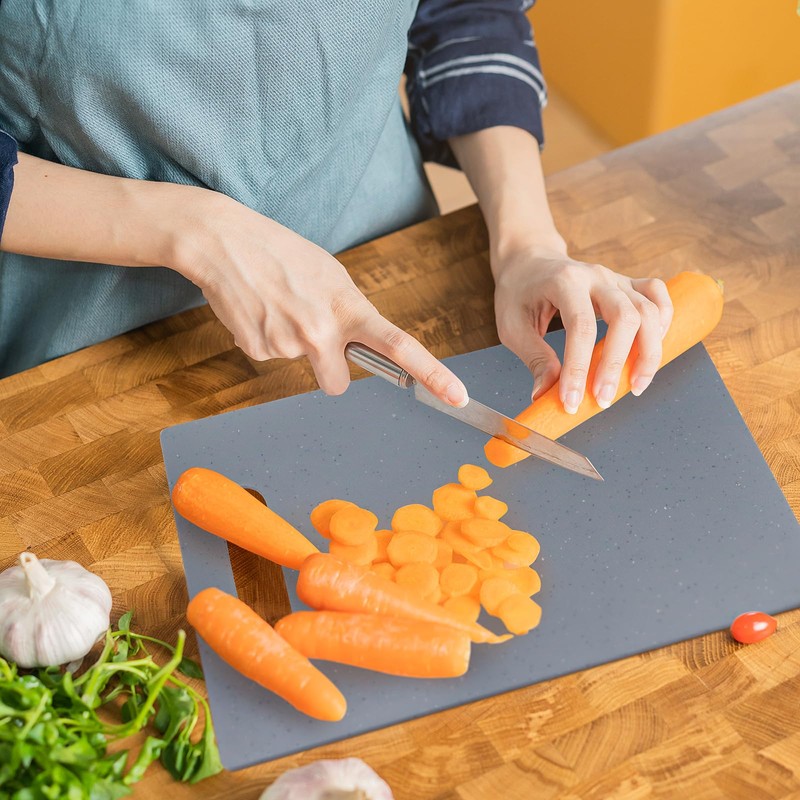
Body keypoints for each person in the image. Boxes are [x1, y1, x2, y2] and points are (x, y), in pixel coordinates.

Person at [0, 0, 672, 412]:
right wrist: (191, 228)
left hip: (384, 282)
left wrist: (527, 243)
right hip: (81, 352)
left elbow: (466, 7)